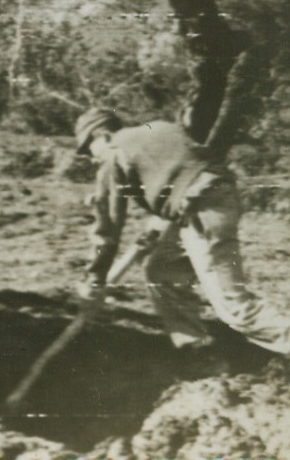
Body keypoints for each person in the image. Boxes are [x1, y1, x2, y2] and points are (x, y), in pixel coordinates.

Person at [75, 106, 290, 356]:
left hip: (202, 212)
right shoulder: (156, 127)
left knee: (235, 308)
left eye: (87, 148)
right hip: (212, 199)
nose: (90, 157)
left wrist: (94, 281)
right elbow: (184, 174)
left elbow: (109, 227)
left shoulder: (114, 152)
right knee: (160, 271)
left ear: (101, 134)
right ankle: (196, 348)